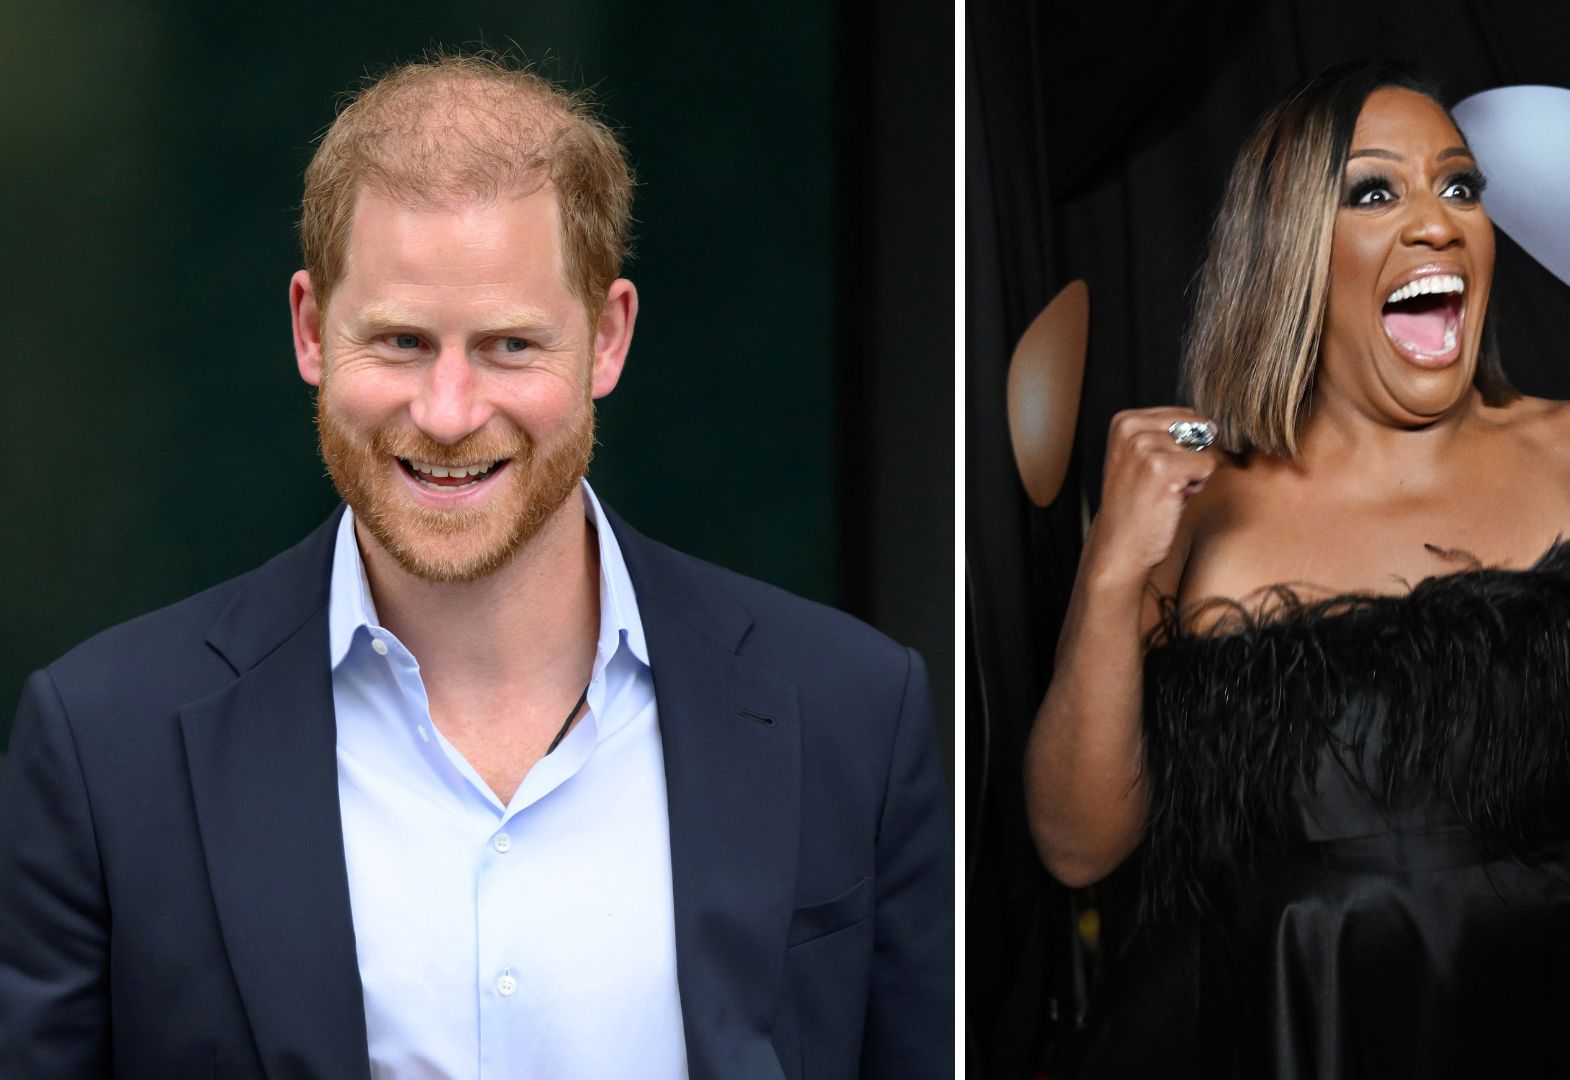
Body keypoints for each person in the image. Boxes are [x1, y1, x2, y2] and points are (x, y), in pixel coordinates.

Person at [0, 54, 951, 1080]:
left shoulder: (853, 709)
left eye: (508, 345)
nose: (448, 413)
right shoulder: (101, 747)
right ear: (312, 331)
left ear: (608, 338)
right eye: (403, 340)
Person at [1024, 60, 1570, 1078]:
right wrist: (1112, 572)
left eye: (1461, 186)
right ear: (1292, 248)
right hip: (1319, 1014)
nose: (1440, 223)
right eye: (1376, 190)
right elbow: (1078, 848)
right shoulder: (1196, 503)